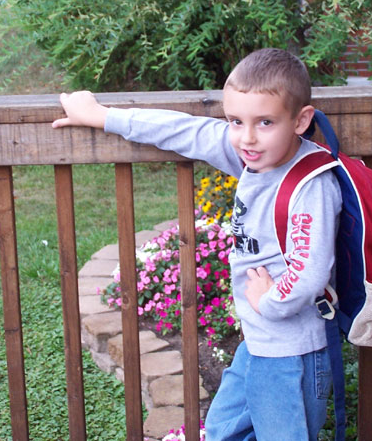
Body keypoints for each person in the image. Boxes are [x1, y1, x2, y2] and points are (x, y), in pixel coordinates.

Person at [53, 48, 342, 441]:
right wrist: (102, 116)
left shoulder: (310, 184)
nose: (247, 137)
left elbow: (310, 272)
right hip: (258, 345)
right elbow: (186, 131)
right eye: (235, 121)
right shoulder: (254, 155)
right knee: (223, 431)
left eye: (265, 122)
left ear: (301, 120)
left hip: (291, 354)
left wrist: (268, 302)